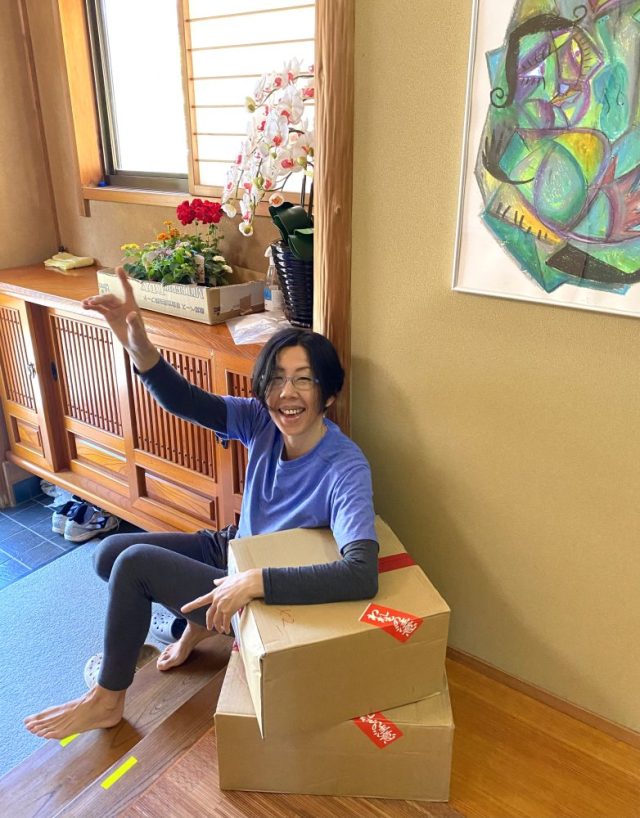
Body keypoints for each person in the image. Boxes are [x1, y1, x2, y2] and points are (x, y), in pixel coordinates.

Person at [24, 266, 378, 740]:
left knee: (134, 566)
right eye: (275, 379)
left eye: (304, 380)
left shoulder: (345, 466)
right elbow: (185, 401)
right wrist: (137, 342)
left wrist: (252, 582)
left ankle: (107, 700)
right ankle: (196, 626)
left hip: (263, 591)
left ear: (329, 395)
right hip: (234, 548)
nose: (286, 394)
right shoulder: (261, 421)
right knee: (108, 553)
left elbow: (361, 574)